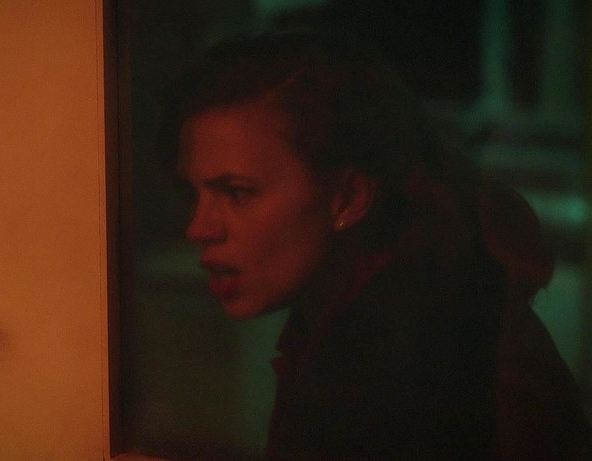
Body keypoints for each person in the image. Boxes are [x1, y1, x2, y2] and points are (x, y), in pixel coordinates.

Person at [159, 31, 591, 459]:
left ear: (349, 197)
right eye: (194, 194)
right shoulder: (411, 298)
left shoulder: (398, 370)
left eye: (237, 192)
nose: (199, 229)